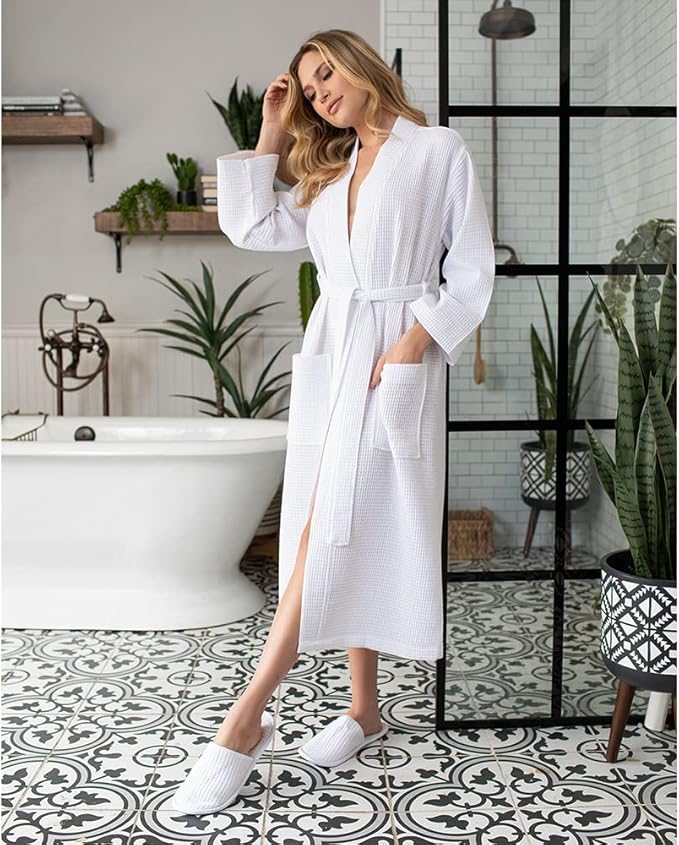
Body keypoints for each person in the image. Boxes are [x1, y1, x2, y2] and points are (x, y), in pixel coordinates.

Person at [172, 28, 495, 816]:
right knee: (341, 522)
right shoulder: (331, 170)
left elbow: (471, 266)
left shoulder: (435, 151)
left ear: (360, 65)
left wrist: (415, 341)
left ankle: (246, 716)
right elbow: (251, 227)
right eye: (309, 89)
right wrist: (269, 132)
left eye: (325, 76)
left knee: (334, 526)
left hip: (393, 357)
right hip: (334, 354)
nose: (319, 94)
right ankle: (363, 708)